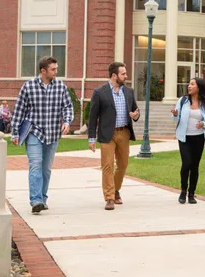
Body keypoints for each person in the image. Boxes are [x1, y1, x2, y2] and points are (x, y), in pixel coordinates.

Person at [10, 56, 74, 214]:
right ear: (42, 71)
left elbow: (68, 107)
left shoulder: (60, 86)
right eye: (53, 69)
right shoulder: (28, 86)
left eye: (56, 69)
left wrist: (67, 122)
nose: (56, 72)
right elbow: (19, 111)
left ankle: (43, 199)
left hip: (52, 133)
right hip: (34, 132)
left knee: (46, 169)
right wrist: (14, 133)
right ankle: (35, 200)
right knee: (36, 165)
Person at [87, 62, 141, 211]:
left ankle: (116, 189)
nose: (126, 76)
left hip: (124, 132)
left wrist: (135, 115)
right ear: (114, 75)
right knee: (107, 166)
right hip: (107, 135)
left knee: (123, 165)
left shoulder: (129, 92)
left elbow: (135, 111)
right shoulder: (100, 92)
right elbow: (92, 117)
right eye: (123, 74)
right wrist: (91, 138)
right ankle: (110, 197)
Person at [171, 77, 205, 204]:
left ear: (198, 87)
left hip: (199, 138)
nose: (189, 86)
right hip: (184, 138)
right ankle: (183, 191)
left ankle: (191, 194)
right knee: (186, 164)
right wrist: (174, 114)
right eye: (189, 84)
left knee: (195, 166)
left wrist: (203, 124)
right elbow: (175, 119)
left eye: (192, 84)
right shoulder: (183, 101)